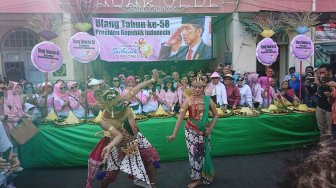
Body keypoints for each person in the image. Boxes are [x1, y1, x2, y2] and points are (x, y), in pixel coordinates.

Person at [86, 70, 160, 188]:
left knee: (152, 159)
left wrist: (153, 80)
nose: (120, 105)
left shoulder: (124, 96)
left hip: (136, 137)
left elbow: (140, 86)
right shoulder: (104, 120)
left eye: (120, 102)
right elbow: (119, 136)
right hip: (118, 145)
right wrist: (110, 146)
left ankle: (153, 185)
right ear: (108, 107)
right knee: (110, 175)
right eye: (116, 105)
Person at [167, 74, 218, 188]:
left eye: (200, 87)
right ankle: (197, 178)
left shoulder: (208, 100)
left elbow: (216, 115)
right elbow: (180, 117)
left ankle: (205, 174)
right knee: (194, 155)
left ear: (204, 88)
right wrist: (174, 133)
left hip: (205, 132)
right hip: (191, 131)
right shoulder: (188, 100)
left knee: (204, 154)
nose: (197, 89)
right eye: (195, 87)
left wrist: (210, 128)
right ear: (192, 87)